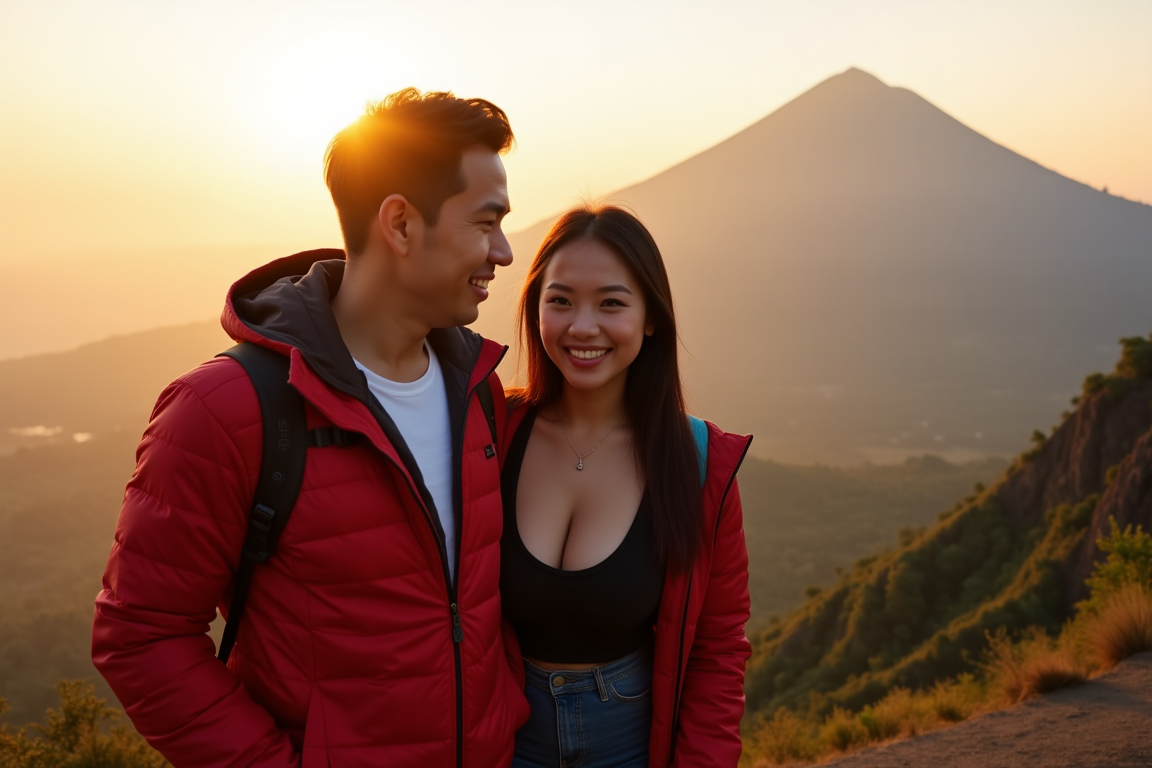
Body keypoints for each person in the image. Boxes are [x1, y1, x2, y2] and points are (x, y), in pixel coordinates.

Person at [91, 89, 529, 767]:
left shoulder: (477, 389)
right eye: (485, 222)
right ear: (402, 225)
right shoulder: (225, 409)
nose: (502, 252)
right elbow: (140, 635)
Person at [498, 205, 752, 768]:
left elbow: (717, 650)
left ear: (651, 318)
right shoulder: (490, 434)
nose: (582, 326)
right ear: (535, 307)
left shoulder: (699, 466)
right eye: (560, 300)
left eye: (611, 303)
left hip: (631, 742)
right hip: (504, 737)